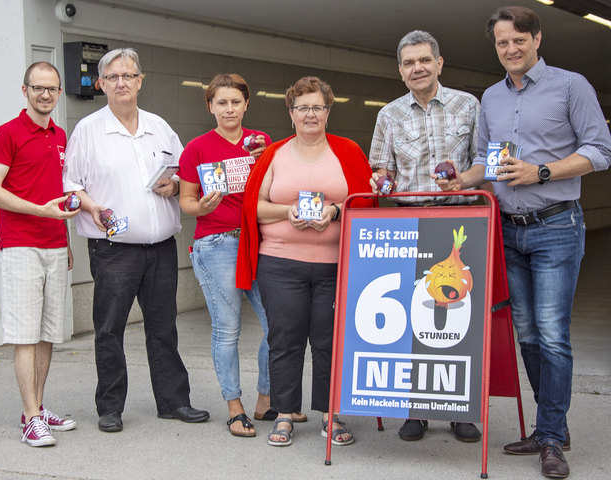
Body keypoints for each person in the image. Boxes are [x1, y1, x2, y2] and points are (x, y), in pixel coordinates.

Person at [435, 7, 611, 478]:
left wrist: (541, 171)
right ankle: (549, 425)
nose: (510, 49)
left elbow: (600, 150)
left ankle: (552, 436)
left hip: (556, 225)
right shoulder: (490, 97)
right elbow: (486, 162)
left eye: (518, 40)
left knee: (553, 335)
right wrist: (464, 181)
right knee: (528, 334)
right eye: (501, 43)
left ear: (537, 38)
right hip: (510, 230)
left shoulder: (571, 86)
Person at [63, 48, 209, 433]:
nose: (121, 83)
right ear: (101, 84)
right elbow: (71, 185)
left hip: (160, 247)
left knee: (163, 327)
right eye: (113, 77)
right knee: (109, 329)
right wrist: (91, 206)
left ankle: (173, 401)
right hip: (113, 250)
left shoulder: (159, 127)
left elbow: (186, 176)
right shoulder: (88, 130)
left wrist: (176, 184)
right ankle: (110, 408)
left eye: (128, 76)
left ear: (141, 81)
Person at [236, 76, 374, 447]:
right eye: (302, 108)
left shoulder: (348, 151)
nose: (310, 114)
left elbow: (366, 202)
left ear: (328, 112)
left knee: (331, 341)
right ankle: (283, 414)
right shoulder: (274, 154)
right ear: (291, 113)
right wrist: (288, 211)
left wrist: (334, 210)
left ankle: (331, 414)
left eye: (318, 107)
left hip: (336, 264)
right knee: (285, 339)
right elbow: (256, 207)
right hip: (280, 263)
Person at [368, 30, 482, 443]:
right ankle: (415, 410)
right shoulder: (389, 115)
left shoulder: (468, 105)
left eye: (424, 60)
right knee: (414, 319)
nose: (417, 68)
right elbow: (381, 169)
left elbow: (484, 162)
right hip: (409, 223)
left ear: (439, 63)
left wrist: (463, 180)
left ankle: (459, 411)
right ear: (400, 71)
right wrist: (381, 182)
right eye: (408, 63)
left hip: (459, 225)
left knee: (457, 320)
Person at [178, 73, 306, 437]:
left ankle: (267, 399)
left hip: (257, 241)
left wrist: (265, 158)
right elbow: (186, 201)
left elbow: (277, 188)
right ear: (210, 106)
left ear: (246, 104)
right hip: (216, 244)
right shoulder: (197, 149)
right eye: (221, 102)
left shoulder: (261, 142)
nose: (229, 108)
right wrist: (201, 206)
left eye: (235, 101)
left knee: (276, 325)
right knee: (228, 330)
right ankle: (234, 408)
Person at [0, 62, 79, 447]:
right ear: (25, 91)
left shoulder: (61, 136)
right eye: (37, 88)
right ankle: (31, 419)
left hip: (55, 245)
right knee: (24, 335)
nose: (45, 95)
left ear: (58, 92)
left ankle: (35, 408)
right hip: (22, 244)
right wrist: (39, 211)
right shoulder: (7, 133)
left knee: (47, 335)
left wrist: (66, 239)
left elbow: (60, 191)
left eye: (52, 89)